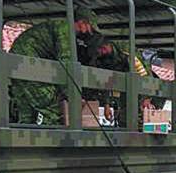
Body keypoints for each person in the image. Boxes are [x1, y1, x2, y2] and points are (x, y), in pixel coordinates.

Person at [9, 6, 147, 125]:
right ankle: (50, 151)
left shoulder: (60, 28)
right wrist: (73, 96)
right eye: (89, 27)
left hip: (16, 63)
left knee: (27, 114)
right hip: (29, 63)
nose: (89, 31)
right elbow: (67, 65)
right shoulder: (65, 30)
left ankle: (25, 150)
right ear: (82, 23)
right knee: (53, 110)